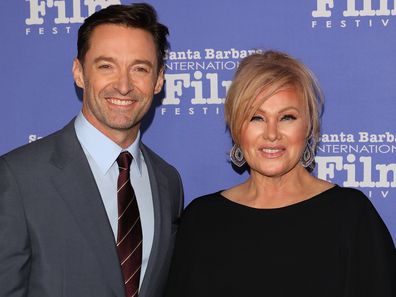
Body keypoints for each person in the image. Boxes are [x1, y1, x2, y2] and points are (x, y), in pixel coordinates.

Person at [165, 51, 395, 297]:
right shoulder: (202, 220)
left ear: (308, 127)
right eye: (256, 117)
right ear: (235, 128)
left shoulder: (351, 216)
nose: (272, 133)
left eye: (287, 117)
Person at [0, 3, 183, 297]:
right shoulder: (18, 178)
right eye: (106, 66)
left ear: (159, 79)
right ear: (79, 73)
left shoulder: (167, 181)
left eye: (139, 68)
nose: (123, 85)